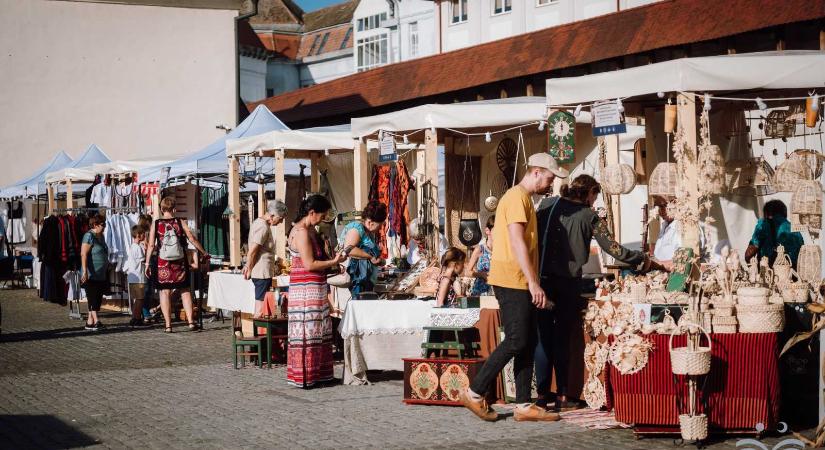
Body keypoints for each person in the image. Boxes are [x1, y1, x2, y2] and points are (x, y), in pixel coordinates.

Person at [534, 174, 666, 411]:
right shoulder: (589, 215)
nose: (595, 202)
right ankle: (563, 395)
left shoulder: (546, 205)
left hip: (541, 280)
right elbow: (613, 248)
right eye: (595, 196)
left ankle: (542, 396)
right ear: (588, 193)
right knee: (562, 338)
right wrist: (645, 259)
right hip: (568, 283)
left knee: (543, 338)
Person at [460, 152, 567, 423]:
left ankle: (522, 404)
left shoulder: (522, 199)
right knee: (518, 339)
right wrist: (533, 282)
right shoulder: (518, 198)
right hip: (512, 278)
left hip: (516, 278)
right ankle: (474, 391)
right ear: (536, 172)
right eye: (549, 179)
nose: (551, 185)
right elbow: (518, 241)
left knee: (527, 342)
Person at [287, 194, 344, 388]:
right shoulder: (301, 232)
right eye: (322, 214)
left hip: (316, 288)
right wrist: (333, 262)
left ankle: (320, 374)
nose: (323, 218)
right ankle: (306, 376)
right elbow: (309, 264)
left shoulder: (311, 230)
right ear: (312, 213)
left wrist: (332, 262)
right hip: (305, 291)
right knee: (308, 332)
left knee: (319, 331)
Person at [144, 197, 209, 333]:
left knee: (165, 293)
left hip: (163, 263)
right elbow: (192, 238)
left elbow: (151, 245)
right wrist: (203, 252)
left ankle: (168, 325)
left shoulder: (156, 224)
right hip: (179, 262)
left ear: (162, 209)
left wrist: (147, 263)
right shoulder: (180, 222)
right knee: (185, 291)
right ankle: (191, 322)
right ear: (174, 209)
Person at [243, 200, 287, 318]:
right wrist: (248, 266)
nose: (281, 221)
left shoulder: (263, 224)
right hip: (261, 272)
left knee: (262, 303)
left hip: (263, 271)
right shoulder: (262, 226)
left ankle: (260, 330)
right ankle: (260, 331)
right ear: (272, 215)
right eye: (281, 218)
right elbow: (253, 250)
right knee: (261, 306)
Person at [339, 201, 387, 295]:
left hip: (367, 279)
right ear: (370, 222)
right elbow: (349, 249)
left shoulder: (369, 233)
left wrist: (379, 260)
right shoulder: (357, 228)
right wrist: (370, 257)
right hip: (359, 280)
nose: (380, 228)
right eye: (379, 225)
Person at [651, 195, 706, 268]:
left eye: (662, 206)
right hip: (661, 272)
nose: (659, 212)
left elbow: (684, 261)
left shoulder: (686, 227)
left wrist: (656, 264)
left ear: (676, 204)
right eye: (656, 207)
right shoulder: (665, 225)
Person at [80, 214, 110, 331]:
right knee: (93, 296)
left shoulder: (100, 236)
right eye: (103, 224)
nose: (104, 227)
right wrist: (85, 271)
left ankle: (89, 322)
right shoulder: (89, 236)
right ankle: (96, 320)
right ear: (95, 225)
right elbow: (84, 254)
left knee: (96, 296)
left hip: (100, 273)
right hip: (91, 273)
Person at [126, 225, 148, 327]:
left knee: (137, 299)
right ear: (138, 235)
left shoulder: (132, 246)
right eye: (143, 233)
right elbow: (143, 260)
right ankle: (137, 318)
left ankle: (134, 318)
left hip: (132, 278)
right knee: (140, 299)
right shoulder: (138, 248)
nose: (145, 235)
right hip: (138, 277)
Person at [467, 215, 495, 296]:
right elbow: (467, 272)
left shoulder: (502, 250)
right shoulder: (480, 249)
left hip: (497, 293)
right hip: (480, 292)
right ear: (487, 231)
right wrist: (481, 274)